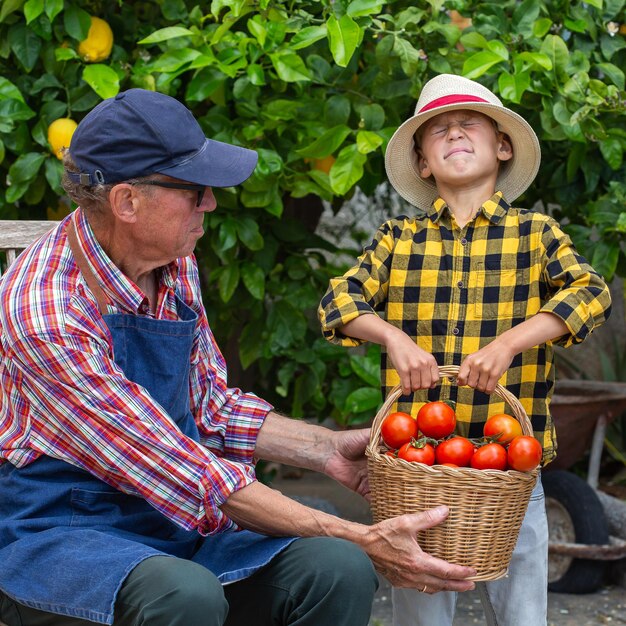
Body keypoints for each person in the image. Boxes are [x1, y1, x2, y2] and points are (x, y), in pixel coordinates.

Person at [0, 88, 477, 626]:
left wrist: (324, 450)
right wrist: (361, 533)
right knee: (185, 594)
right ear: (127, 202)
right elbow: (179, 470)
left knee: (336, 566)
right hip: (68, 533)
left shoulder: (173, 265)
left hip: (175, 526)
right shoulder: (45, 308)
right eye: (194, 190)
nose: (211, 203)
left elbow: (210, 410)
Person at [319, 74, 612, 626]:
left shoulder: (535, 234)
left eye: (468, 123)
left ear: (502, 147)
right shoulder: (397, 238)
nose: (454, 133)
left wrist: (510, 342)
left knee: (523, 612)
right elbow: (339, 300)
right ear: (424, 162)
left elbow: (591, 293)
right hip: (417, 464)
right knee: (421, 612)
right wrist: (391, 337)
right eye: (438, 130)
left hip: (512, 466)